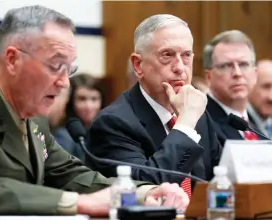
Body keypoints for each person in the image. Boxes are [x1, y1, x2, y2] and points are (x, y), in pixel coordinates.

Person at [0, 5, 189, 217]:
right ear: (13, 59)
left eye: (69, 69)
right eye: (56, 66)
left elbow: (71, 175)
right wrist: (77, 203)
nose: (65, 83)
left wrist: (143, 192)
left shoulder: (34, 119)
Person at [86, 14, 222, 199]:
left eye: (186, 55)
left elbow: (222, 179)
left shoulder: (197, 114)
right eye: (167, 55)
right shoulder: (113, 123)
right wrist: (185, 125)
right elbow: (147, 189)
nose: (180, 68)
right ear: (138, 65)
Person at [203, 30, 266, 144]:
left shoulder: (254, 124)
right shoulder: (201, 121)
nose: (237, 73)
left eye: (243, 64)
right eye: (226, 66)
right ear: (208, 77)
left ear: (255, 74)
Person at [51, 73, 104, 162]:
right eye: (82, 99)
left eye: (94, 99)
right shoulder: (63, 135)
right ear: (70, 102)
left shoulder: (106, 130)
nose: (88, 106)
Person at [248, 59, 272, 138]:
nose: (270, 97)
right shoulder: (238, 125)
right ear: (250, 86)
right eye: (266, 87)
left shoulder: (268, 123)